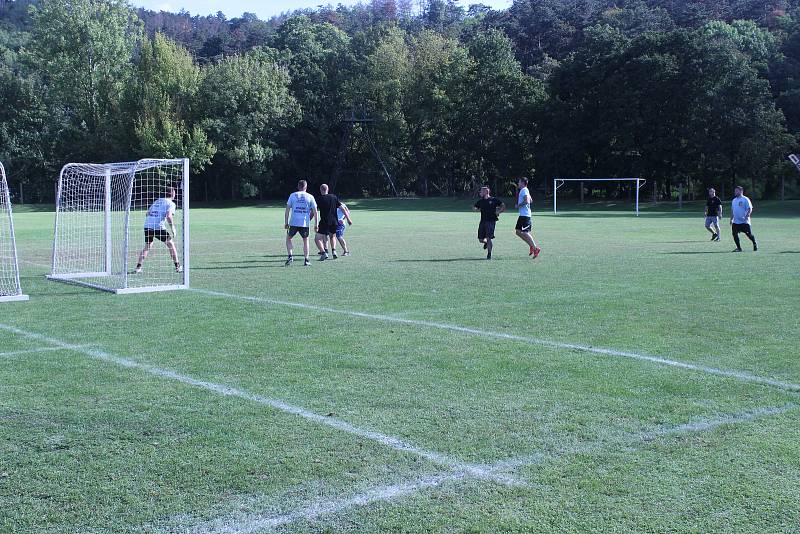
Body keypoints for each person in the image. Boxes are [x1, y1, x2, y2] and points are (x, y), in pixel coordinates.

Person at [134, 187, 182, 274]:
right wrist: (173, 228)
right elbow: (168, 216)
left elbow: (147, 213)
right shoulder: (171, 203)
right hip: (158, 227)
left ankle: (138, 267)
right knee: (171, 244)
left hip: (147, 225)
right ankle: (178, 267)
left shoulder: (157, 201)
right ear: (173, 194)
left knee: (147, 246)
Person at [285, 180, 318, 266]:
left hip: (293, 222)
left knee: (288, 238)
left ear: (298, 186)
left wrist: (286, 222)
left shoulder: (292, 195)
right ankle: (306, 260)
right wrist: (316, 224)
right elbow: (315, 211)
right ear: (306, 187)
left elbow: (287, 210)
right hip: (304, 223)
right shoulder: (310, 196)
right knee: (305, 240)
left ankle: (290, 256)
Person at [473, 186, 505, 260]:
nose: (480, 193)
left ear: (486, 192)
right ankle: (486, 243)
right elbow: (475, 207)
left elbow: (503, 205)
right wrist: (475, 209)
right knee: (481, 239)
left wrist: (499, 211)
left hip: (491, 222)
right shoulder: (480, 201)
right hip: (482, 221)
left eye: (481, 191)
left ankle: (489, 254)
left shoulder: (494, 200)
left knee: (488, 238)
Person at [314, 184, 345, 260]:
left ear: (321, 190)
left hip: (324, 222)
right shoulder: (334, 197)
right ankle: (334, 251)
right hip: (334, 222)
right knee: (332, 236)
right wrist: (348, 218)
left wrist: (309, 218)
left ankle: (324, 253)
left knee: (317, 239)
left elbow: (314, 211)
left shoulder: (319, 199)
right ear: (327, 189)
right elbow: (342, 209)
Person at [514, 178, 541, 259]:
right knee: (518, 232)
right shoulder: (525, 190)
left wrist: (518, 205)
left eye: (519, 182)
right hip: (522, 215)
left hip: (525, 215)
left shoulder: (524, 190)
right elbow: (531, 200)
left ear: (522, 182)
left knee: (525, 232)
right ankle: (531, 246)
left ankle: (536, 248)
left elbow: (527, 201)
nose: (518, 183)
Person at [730, 185, 758, 252]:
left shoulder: (745, 199)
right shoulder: (734, 200)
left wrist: (747, 215)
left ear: (741, 191)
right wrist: (731, 219)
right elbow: (732, 210)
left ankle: (754, 243)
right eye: (735, 191)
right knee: (734, 234)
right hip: (736, 221)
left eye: (736, 191)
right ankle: (739, 248)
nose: (735, 192)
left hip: (744, 221)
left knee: (749, 234)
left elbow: (750, 208)